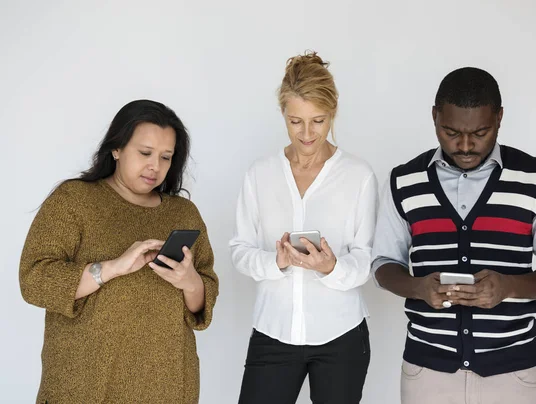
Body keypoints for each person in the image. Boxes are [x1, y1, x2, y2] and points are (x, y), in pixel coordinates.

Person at [372, 67, 536, 404]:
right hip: (428, 373)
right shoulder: (403, 181)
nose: (466, 145)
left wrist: (511, 286)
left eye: (481, 132)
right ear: (434, 116)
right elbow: (383, 264)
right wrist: (418, 287)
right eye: (451, 131)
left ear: (499, 118)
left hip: (515, 373)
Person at [19, 99, 219, 403]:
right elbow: (34, 279)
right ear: (117, 148)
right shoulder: (74, 200)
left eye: (166, 157)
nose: (155, 166)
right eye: (145, 153)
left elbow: (204, 299)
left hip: (166, 384)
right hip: (85, 382)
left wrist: (189, 280)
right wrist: (112, 268)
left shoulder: (184, 214)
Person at [230, 52, 378, 404]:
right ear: (283, 113)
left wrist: (331, 267)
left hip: (341, 337)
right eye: (296, 121)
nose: (307, 133)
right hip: (273, 332)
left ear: (333, 112)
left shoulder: (359, 176)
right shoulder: (260, 174)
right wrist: (275, 262)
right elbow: (239, 249)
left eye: (319, 120)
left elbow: (367, 257)